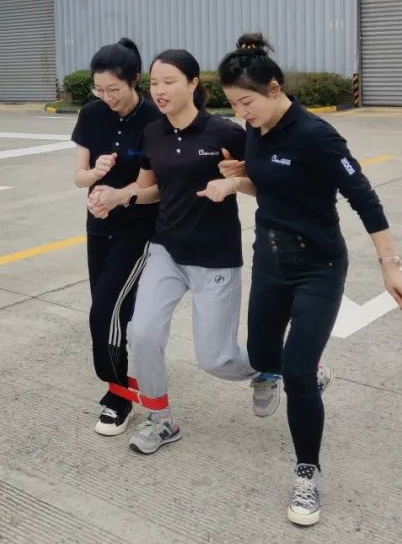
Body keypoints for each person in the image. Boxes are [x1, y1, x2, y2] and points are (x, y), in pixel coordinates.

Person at [206, 33, 402, 527]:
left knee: (295, 373)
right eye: (233, 105)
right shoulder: (255, 131)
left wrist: (390, 263)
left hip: (318, 265)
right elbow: (271, 187)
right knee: (263, 356)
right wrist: (238, 180)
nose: (241, 113)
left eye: (246, 102)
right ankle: (310, 374)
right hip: (270, 261)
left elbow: (364, 198)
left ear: (274, 88)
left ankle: (307, 473)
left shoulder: (317, 136)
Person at [89, 50, 275, 457]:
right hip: (166, 250)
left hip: (215, 256)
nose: (160, 90)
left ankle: (273, 368)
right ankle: (161, 420)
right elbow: (149, 188)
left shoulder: (225, 133)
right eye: (154, 83)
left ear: (193, 83)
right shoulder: (152, 133)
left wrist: (235, 182)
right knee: (142, 333)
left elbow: (263, 183)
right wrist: (118, 196)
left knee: (217, 359)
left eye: (169, 81)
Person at [71, 38, 161, 437]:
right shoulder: (91, 114)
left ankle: (118, 395)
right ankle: (128, 368)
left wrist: (118, 196)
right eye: (99, 90)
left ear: (134, 80)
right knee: (112, 309)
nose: (106, 98)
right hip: (99, 225)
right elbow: (79, 177)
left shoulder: (154, 119)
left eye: (114, 89)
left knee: (104, 311)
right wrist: (96, 175)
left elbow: (155, 187)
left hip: (138, 228)